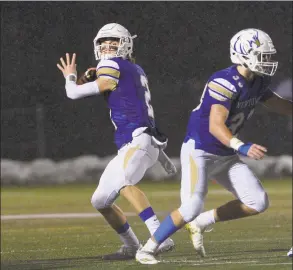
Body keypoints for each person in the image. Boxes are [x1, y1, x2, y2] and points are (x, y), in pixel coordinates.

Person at [135, 28, 292, 264]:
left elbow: (279, 104)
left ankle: (202, 222)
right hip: (200, 150)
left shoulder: (259, 81)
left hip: (225, 153)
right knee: (191, 206)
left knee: (258, 202)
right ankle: (147, 248)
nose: (267, 60)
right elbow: (215, 126)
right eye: (262, 55)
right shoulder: (223, 81)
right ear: (243, 54)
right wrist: (242, 147)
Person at [57, 23, 175, 260]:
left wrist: (70, 78)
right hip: (141, 141)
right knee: (100, 200)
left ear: (126, 44)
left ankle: (160, 235)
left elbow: (76, 92)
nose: (107, 46)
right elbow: (137, 106)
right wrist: (160, 154)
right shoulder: (134, 69)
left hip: (138, 140)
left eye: (114, 42)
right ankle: (132, 246)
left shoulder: (111, 65)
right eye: (103, 42)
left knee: (124, 181)